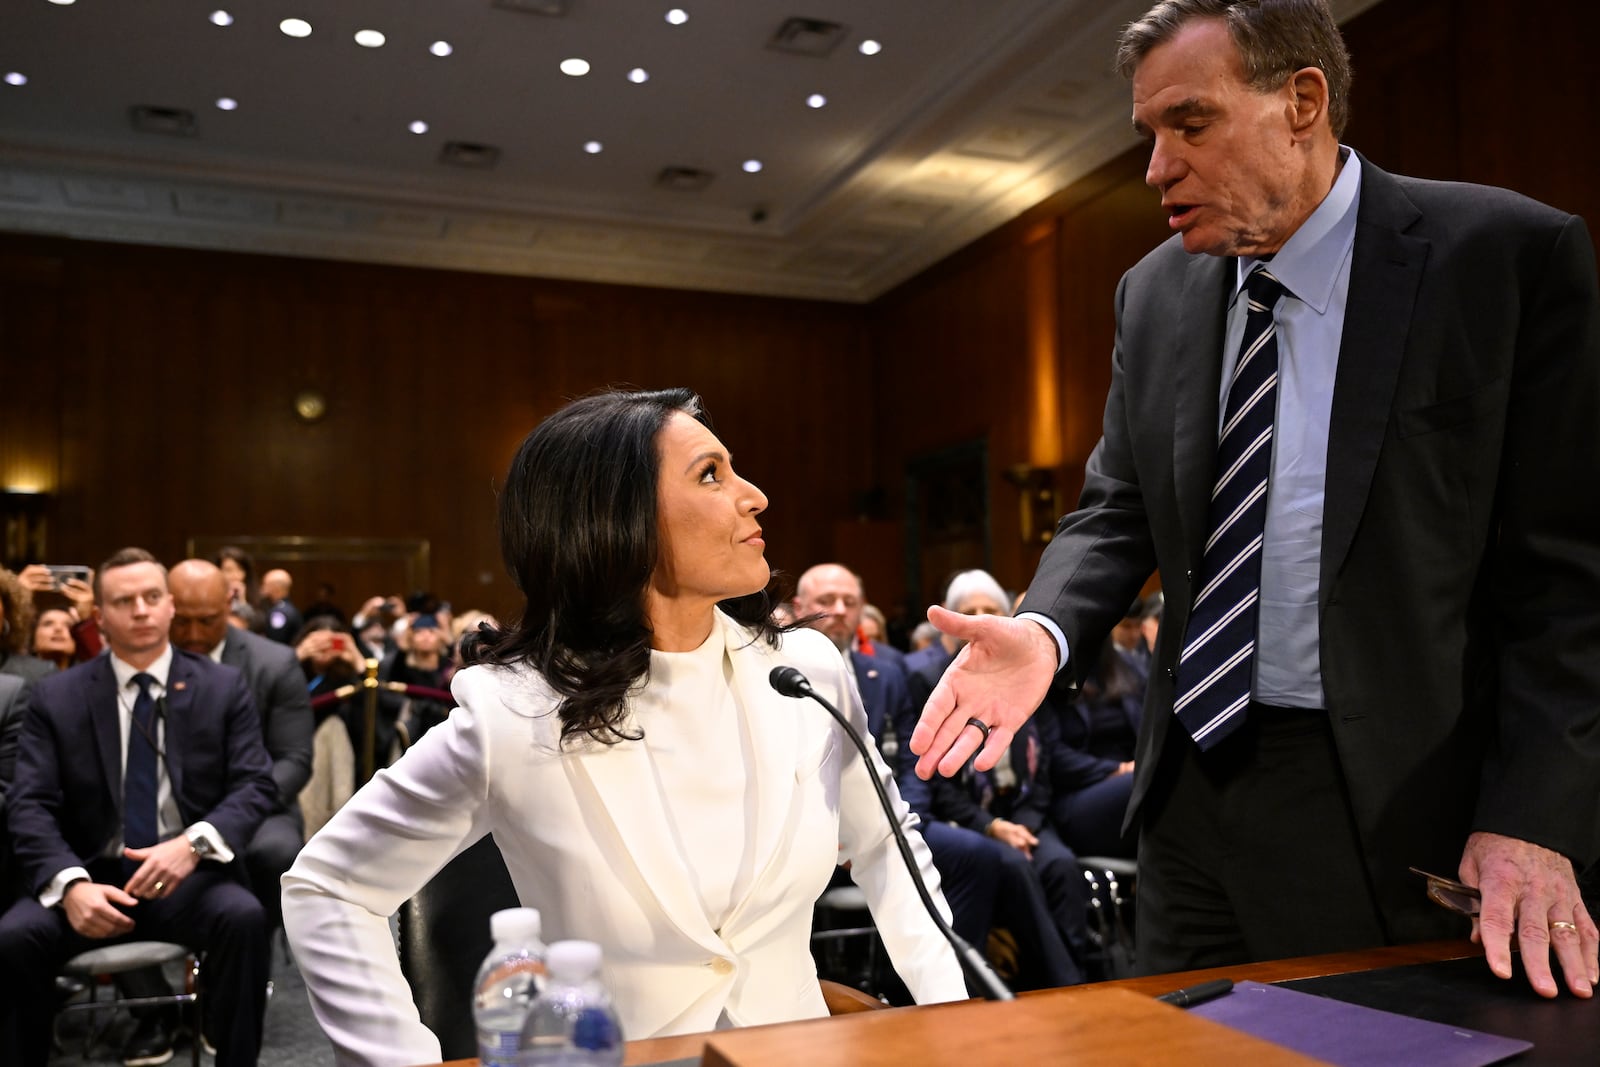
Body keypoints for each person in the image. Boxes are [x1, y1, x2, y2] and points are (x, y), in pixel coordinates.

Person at [910, 0, 1600, 1000]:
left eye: (1190, 124)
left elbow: (1569, 577)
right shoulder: (1151, 294)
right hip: (1189, 790)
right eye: (1148, 135)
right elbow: (1115, 509)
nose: (1156, 167)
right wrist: (1044, 628)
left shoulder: (1501, 261)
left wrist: (1536, 811)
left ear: (1301, 102)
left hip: (1402, 807)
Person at [283, 388, 966, 1065]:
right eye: (711, 473)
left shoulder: (806, 669)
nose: (754, 495)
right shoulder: (512, 712)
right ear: (619, 520)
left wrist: (952, 1017)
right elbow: (329, 885)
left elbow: (886, 843)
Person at [0, 547, 276, 1066]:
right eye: (125, 601)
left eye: (152, 597)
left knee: (245, 919)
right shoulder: (56, 697)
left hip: (186, 876)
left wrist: (191, 846)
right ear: (101, 617)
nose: (142, 610)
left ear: (171, 606)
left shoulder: (222, 687)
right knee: (13, 938)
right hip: (90, 876)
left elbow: (255, 785)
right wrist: (70, 885)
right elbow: (29, 803)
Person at [169, 559, 314, 934]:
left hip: (258, 802)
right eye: (181, 621)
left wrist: (234, 813)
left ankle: (252, 957)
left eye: (207, 620)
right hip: (169, 799)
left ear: (229, 604)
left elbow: (294, 761)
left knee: (274, 851)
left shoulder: (274, 663)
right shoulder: (152, 658)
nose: (194, 634)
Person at [258, 568, 302, 645]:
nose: (262, 588)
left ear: (276, 587)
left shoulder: (279, 613)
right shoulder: (288, 608)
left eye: (265, 584)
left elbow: (274, 641)